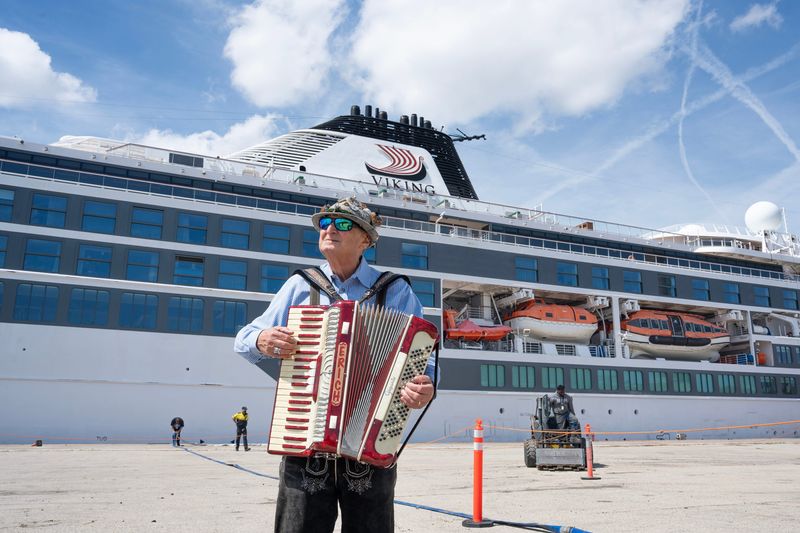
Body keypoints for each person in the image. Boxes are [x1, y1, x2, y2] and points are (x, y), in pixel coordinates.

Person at [234, 196, 436, 533]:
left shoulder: (395, 291)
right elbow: (245, 337)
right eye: (324, 223)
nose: (330, 229)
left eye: (343, 224)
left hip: (370, 444)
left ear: (366, 240)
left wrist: (423, 388)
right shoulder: (302, 284)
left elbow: (425, 365)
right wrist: (263, 339)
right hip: (303, 440)